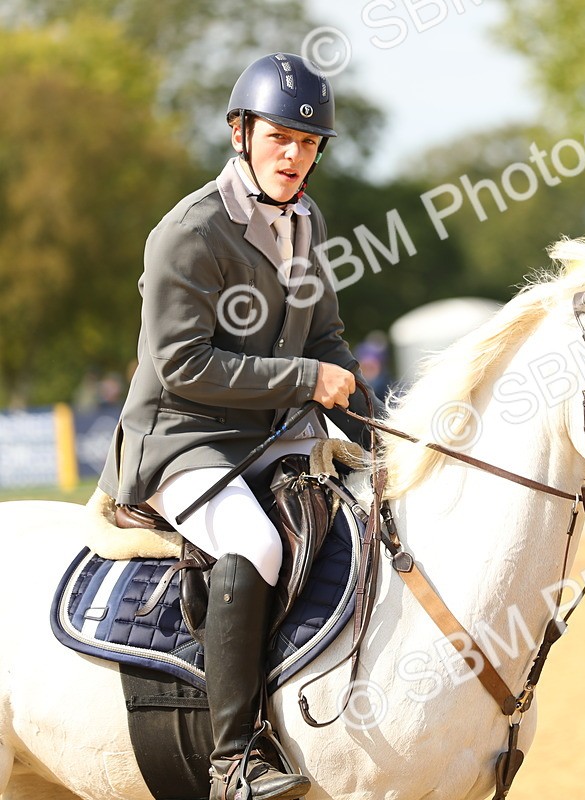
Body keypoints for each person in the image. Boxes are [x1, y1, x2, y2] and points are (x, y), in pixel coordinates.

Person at [98, 53, 379, 800]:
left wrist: (370, 416)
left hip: (268, 433)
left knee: (366, 502)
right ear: (241, 133)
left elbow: (324, 337)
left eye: (309, 143)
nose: (294, 155)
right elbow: (183, 365)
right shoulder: (187, 234)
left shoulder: (308, 220)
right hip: (181, 440)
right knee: (253, 540)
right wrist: (303, 381)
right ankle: (233, 761)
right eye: (280, 137)